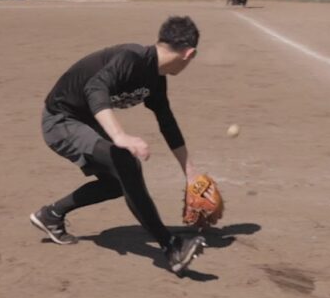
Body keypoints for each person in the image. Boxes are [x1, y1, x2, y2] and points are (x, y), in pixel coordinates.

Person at [31, 16, 207, 274]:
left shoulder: (156, 79)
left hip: (82, 121)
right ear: (189, 53)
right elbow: (95, 88)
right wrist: (120, 136)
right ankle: (171, 246)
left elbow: (167, 122)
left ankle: (51, 215)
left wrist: (190, 172)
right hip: (60, 120)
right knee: (125, 162)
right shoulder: (131, 58)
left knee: (116, 183)